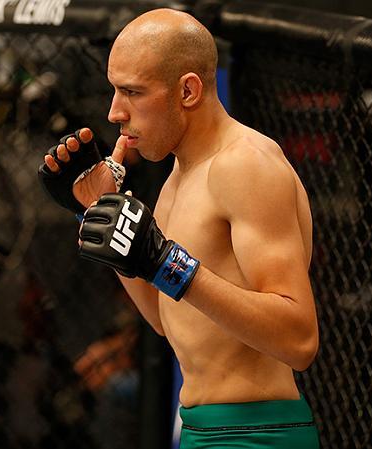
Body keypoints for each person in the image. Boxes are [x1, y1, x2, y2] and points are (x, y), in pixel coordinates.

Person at [39, 8, 320, 448]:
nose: (114, 112)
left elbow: (299, 338)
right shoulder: (178, 177)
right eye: (114, 89)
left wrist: (169, 263)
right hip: (199, 428)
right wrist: (96, 211)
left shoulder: (245, 165)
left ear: (187, 90)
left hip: (257, 435)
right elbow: (167, 319)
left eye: (133, 91)